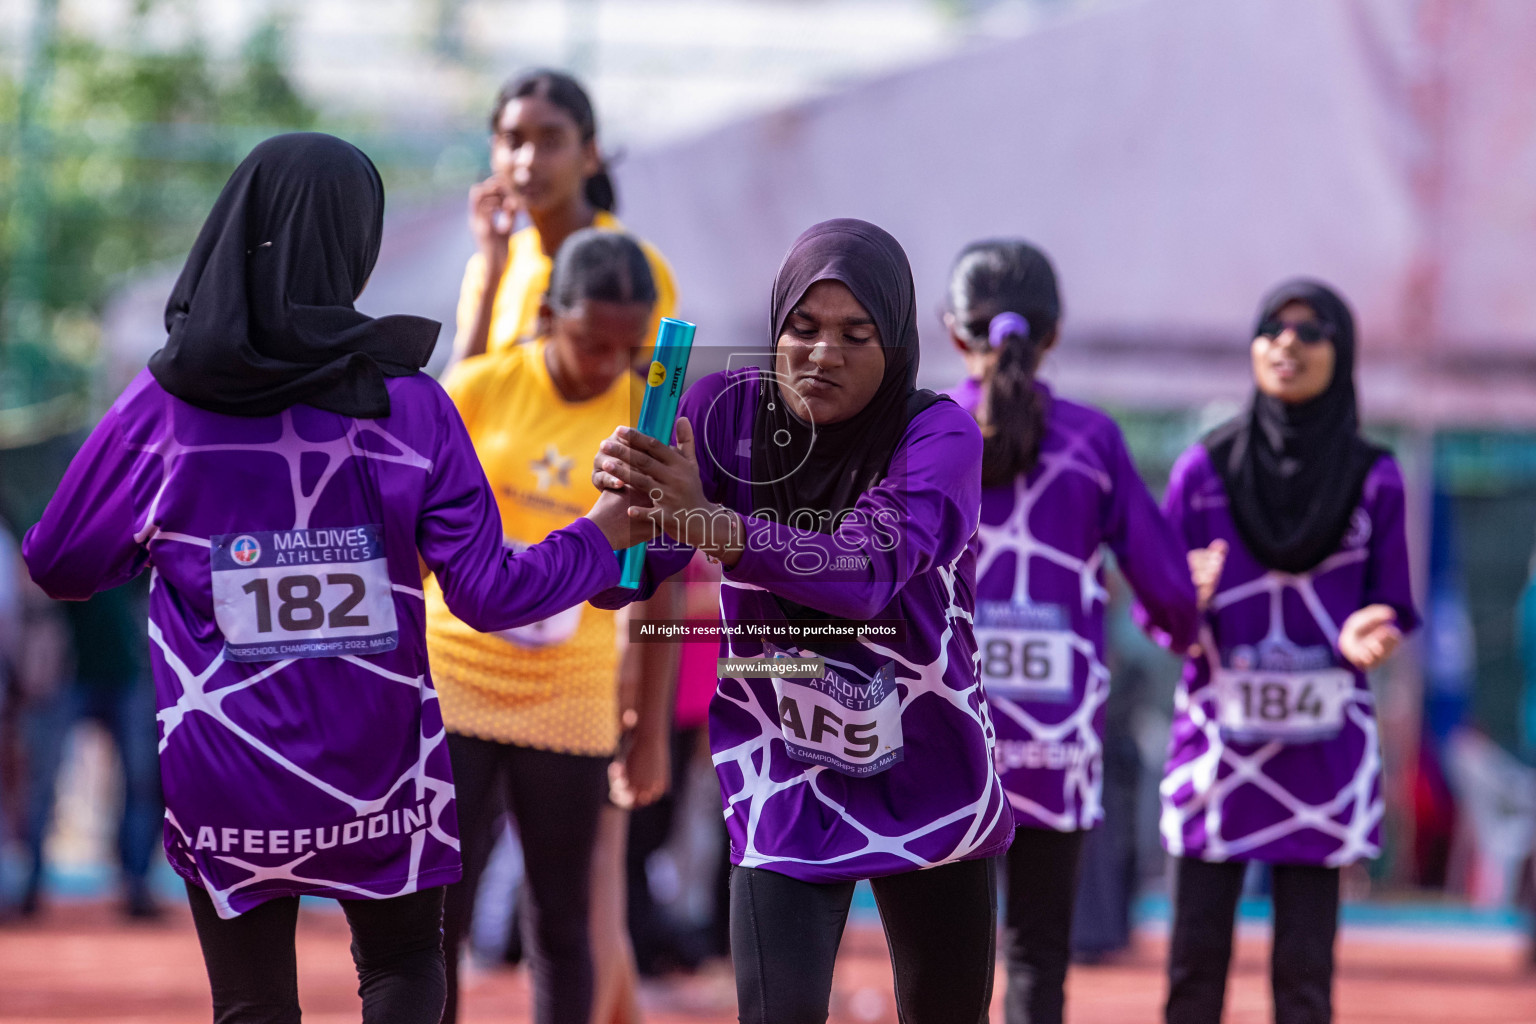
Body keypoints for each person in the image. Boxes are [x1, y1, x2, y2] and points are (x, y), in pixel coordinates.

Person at [20, 132, 649, 1024]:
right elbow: (489, 593)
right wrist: (600, 534)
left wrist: (164, 542)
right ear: (357, 244)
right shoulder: (414, 406)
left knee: (250, 1000)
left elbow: (58, 560)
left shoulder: (162, 407)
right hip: (382, 767)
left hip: (226, 765)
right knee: (401, 970)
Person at [591, 218, 1014, 1024]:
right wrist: (625, 512)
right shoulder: (721, 412)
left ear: (896, 343)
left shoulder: (939, 434)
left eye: (857, 335)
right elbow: (626, 584)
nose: (824, 354)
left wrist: (710, 523)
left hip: (931, 769)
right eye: (804, 328)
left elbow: (866, 571)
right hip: (782, 765)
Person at [425, 228, 679, 1024]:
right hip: (454, 676)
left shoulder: (645, 415)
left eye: (625, 348)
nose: (607, 363)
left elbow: (654, 585)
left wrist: (651, 729)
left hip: (571, 692)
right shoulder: (476, 387)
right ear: (545, 315)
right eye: (589, 342)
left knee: (563, 920)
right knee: (438, 915)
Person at [942, 240, 1199, 1024]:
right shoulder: (1095, 443)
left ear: (956, 332)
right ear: (1052, 335)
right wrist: (1186, 604)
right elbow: (1170, 596)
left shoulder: (926, 430)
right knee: (1037, 956)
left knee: (941, 965)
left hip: (943, 735)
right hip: (1057, 742)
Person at [1158, 280, 1419, 1024]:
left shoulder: (1377, 479)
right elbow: (1160, 611)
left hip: (1323, 757)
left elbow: (1393, 602)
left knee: (1305, 977)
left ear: (1344, 353)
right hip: (1217, 751)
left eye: (1312, 332)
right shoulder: (1202, 473)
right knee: (1193, 966)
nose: (1287, 345)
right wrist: (1184, 600)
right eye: (1273, 328)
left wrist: (1377, 630)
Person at [450, 69, 677, 369]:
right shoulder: (488, 267)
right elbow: (456, 400)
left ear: (590, 154)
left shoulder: (633, 269)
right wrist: (493, 273)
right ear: (494, 151)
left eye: (550, 142)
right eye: (513, 141)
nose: (527, 161)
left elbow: (646, 396)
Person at [19, 581, 164, 918]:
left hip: (127, 673)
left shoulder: (137, 531)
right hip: (63, 674)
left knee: (141, 782)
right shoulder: (57, 530)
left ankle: (137, 886)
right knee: (41, 781)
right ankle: (30, 885)